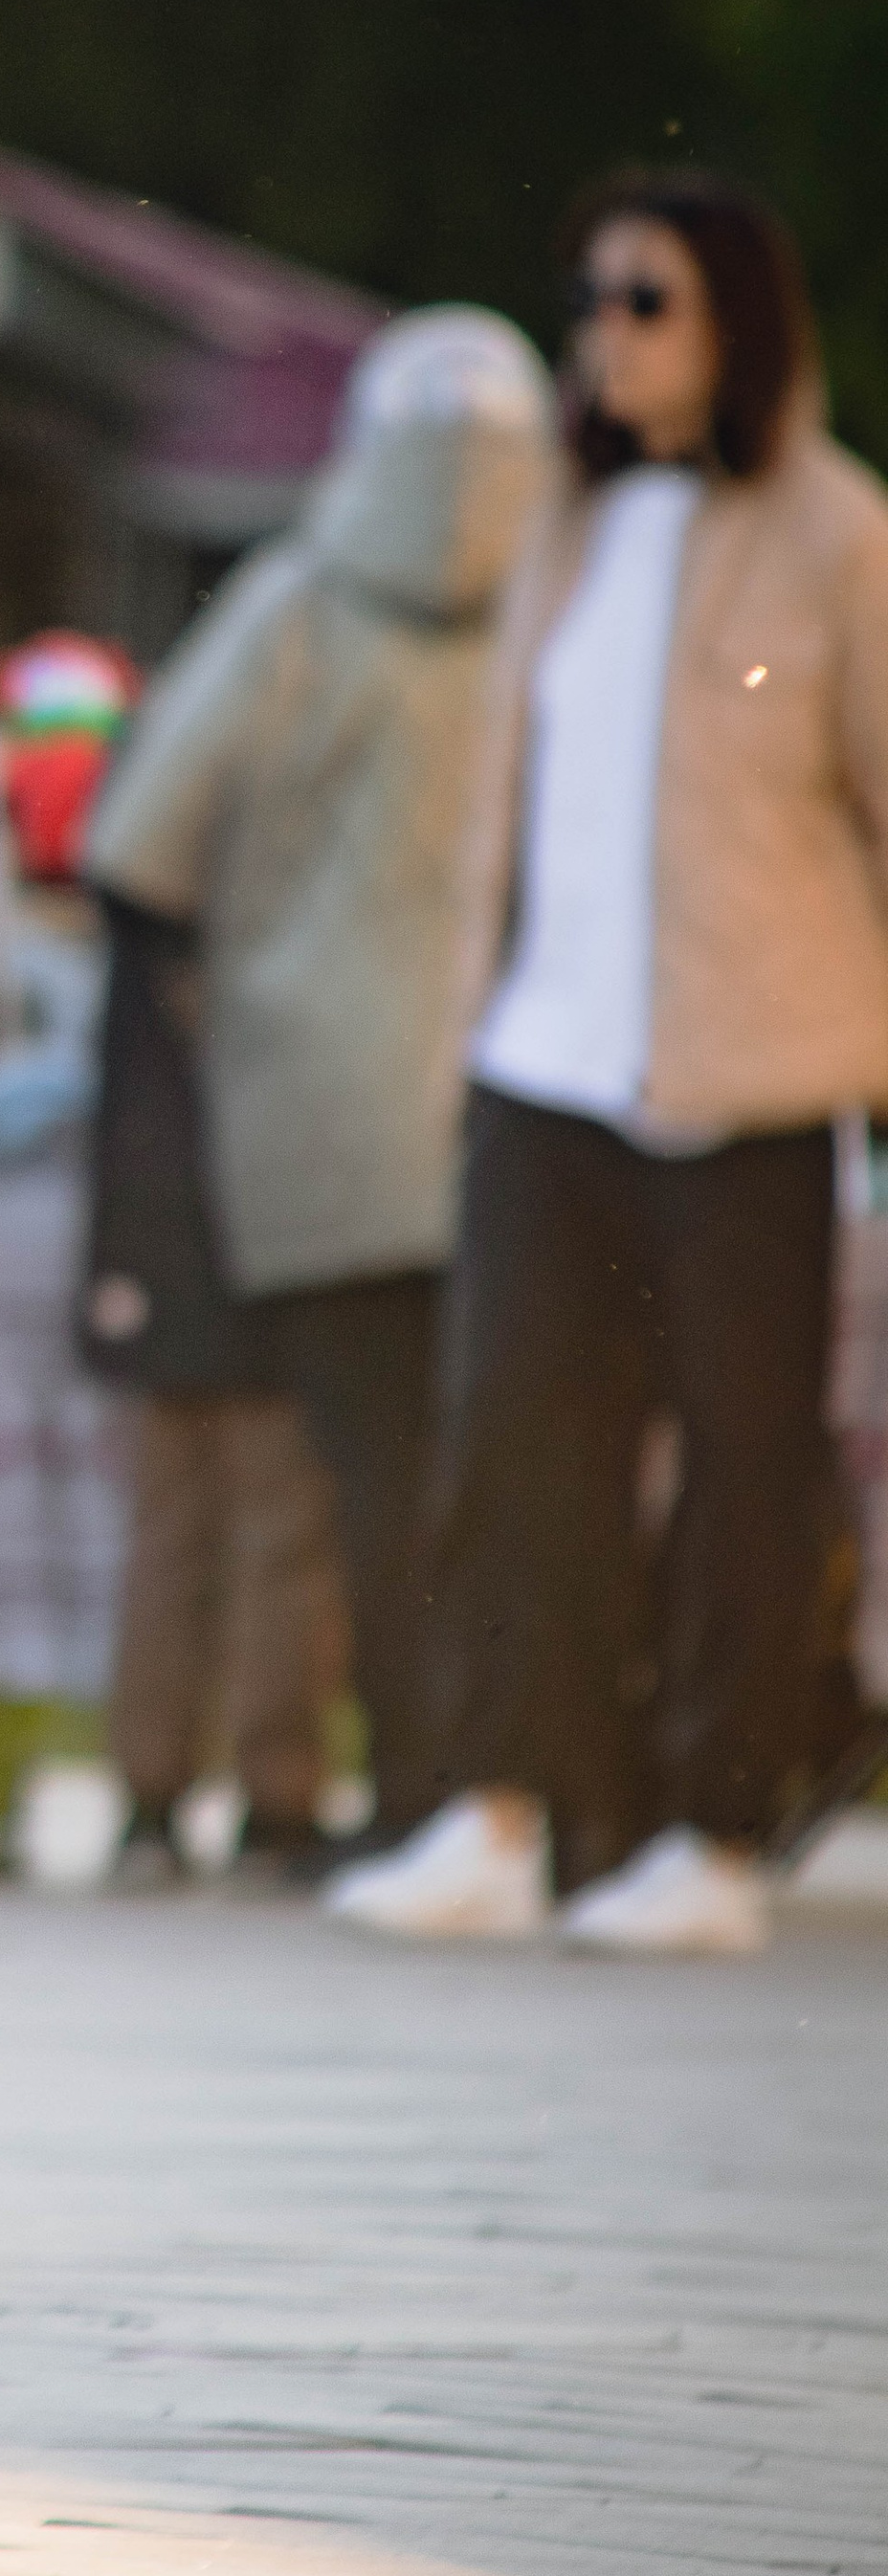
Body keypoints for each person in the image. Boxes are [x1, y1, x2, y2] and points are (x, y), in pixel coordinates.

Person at [331, 175, 888, 1954]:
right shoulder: (561, 523)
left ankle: (719, 1837)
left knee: (747, 1464)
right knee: (514, 1447)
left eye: (644, 299)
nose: (606, 331)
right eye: (590, 297)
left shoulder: (840, 535)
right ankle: (507, 1807)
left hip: (759, 1065)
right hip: (541, 1060)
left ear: (736, 320)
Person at [84, 311, 554, 1853]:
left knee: (359, 1473)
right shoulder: (563, 610)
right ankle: (496, 1791)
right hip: (534, 1104)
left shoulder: (296, 605)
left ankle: (392, 1783)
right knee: (513, 1462)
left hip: (314, 1110)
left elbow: (139, 842)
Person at [79, 894, 352, 1876]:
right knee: (278, 1533)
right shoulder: (276, 908)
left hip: (153, 1253)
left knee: (168, 1533)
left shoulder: (137, 906)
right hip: (263, 1245)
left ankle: (147, 1801)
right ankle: (276, 1800)